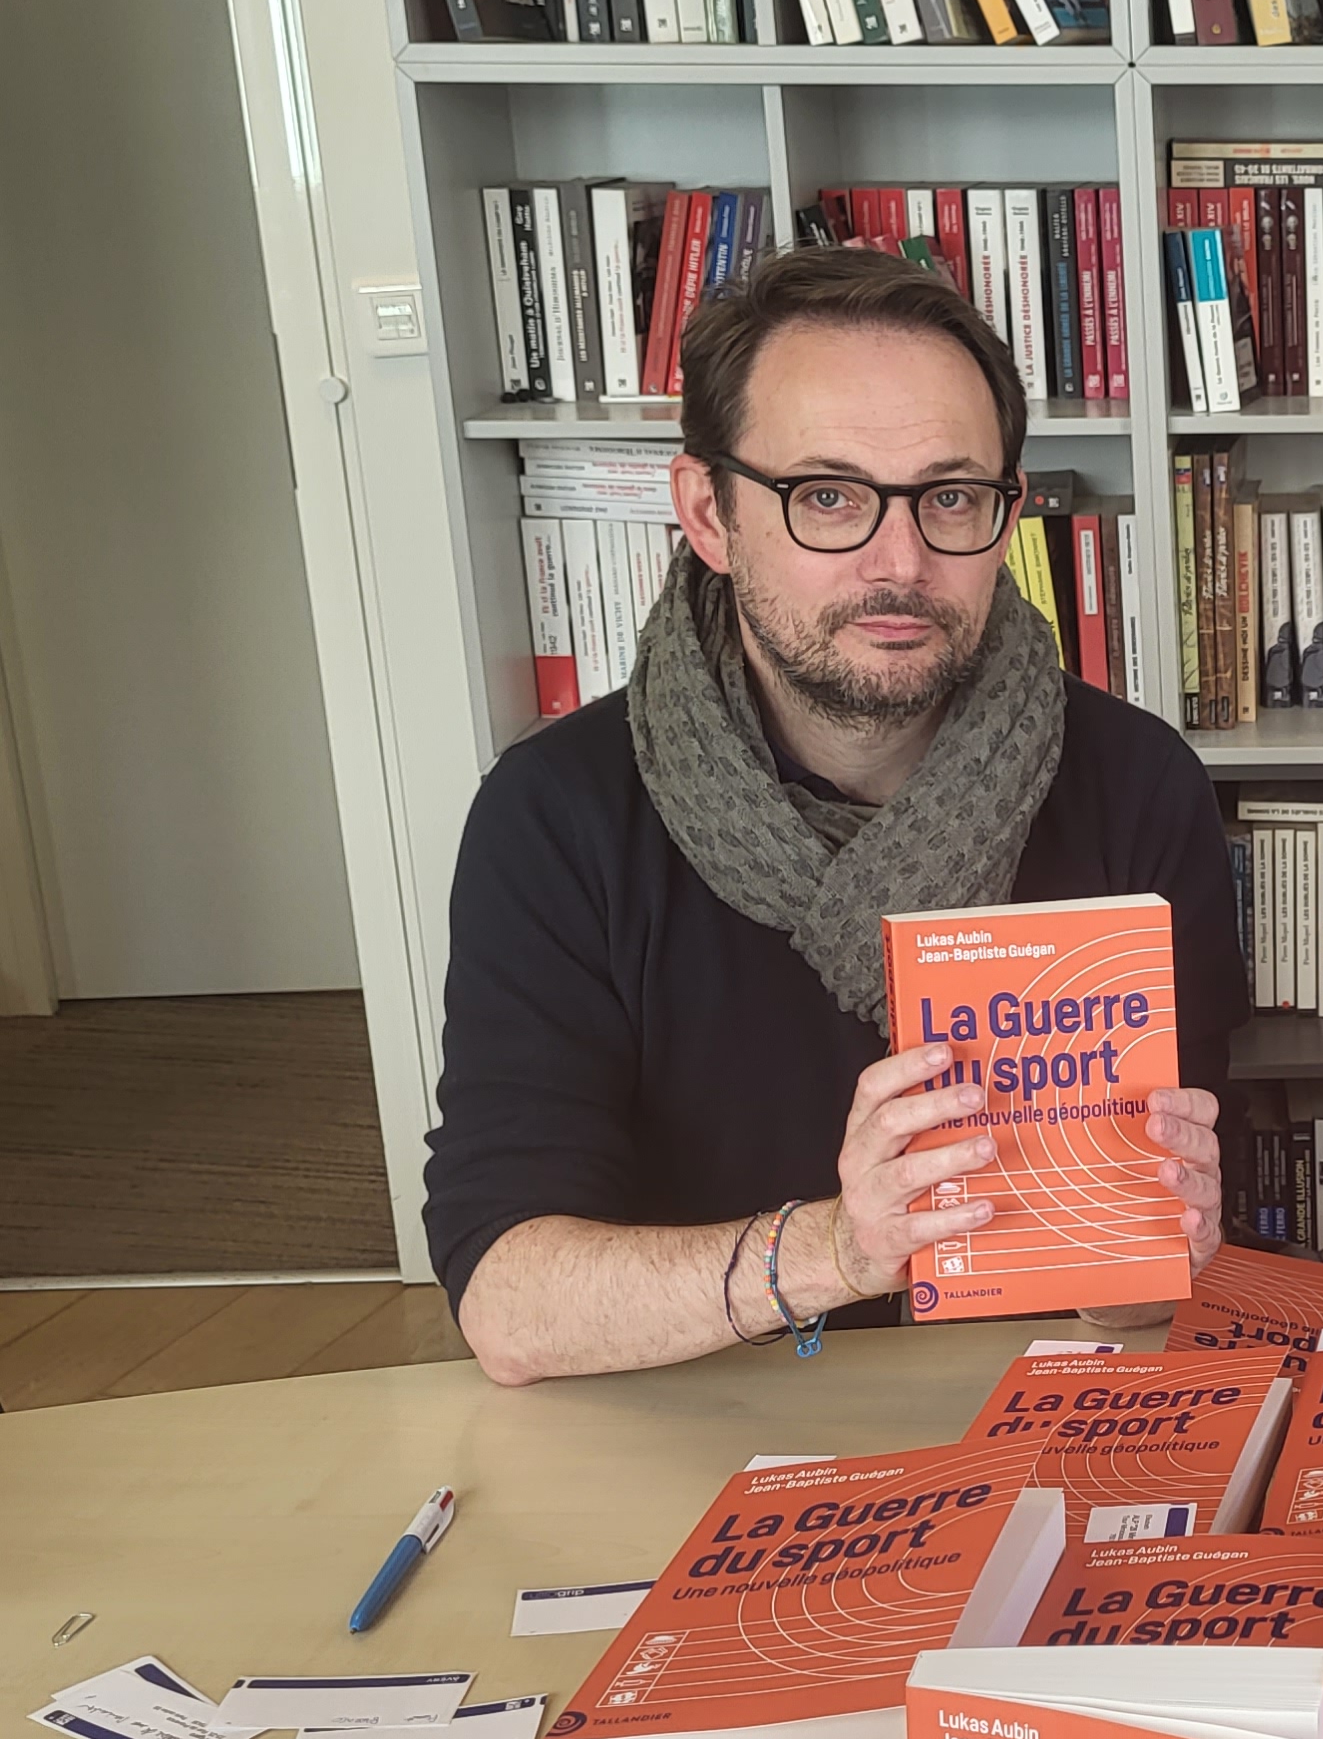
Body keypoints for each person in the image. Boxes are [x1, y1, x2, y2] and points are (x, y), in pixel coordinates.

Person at [426, 248, 1246, 1384]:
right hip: (688, 1423)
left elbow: (1136, 1295)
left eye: (950, 495)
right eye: (827, 496)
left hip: (1028, 1406)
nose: (899, 561)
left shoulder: (1136, 784)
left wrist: (1147, 1250)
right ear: (708, 513)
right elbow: (511, 1300)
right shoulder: (556, 815)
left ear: (1007, 513)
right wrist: (837, 1249)